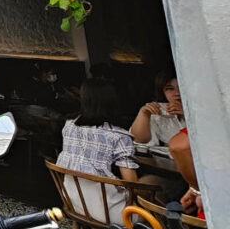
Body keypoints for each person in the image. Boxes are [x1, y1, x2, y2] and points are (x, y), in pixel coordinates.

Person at [56, 78, 138, 219]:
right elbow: (132, 184)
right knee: (155, 190)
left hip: (75, 204)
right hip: (111, 212)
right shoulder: (119, 136)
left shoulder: (69, 126)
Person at [130, 67, 185, 146]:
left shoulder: (203, 108)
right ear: (163, 92)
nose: (177, 93)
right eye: (170, 89)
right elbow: (140, 140)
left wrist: (186, 115)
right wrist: (144, 114)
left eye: (181, 87)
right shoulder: (159, 110)